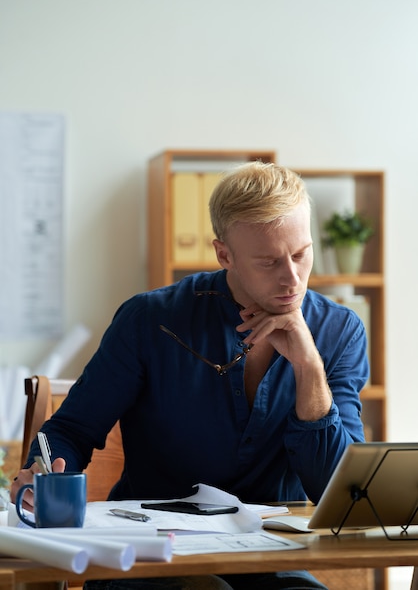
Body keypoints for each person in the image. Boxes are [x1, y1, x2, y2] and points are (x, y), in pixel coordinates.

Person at [12, 162, 368, 590]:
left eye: (300, 254)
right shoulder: (150, 319)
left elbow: (342, 495)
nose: (292, 278)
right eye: (269, 261)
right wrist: (41, 471)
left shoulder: (339, 330)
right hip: (150, 558)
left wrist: (309, 368)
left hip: (269, 558)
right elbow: (71, 429)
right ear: (224, 255)